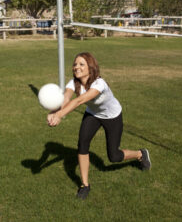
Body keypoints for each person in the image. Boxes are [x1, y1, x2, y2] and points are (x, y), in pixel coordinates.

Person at [47, 52, 151, 199]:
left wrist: (59, 115)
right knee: (82, 144)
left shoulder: (99, 84)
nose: (77, 67)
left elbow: (79, 101)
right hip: (93, 115)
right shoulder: (73, 83)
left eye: (81, 64)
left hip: (112, 116)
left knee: (114, 156)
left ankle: (140, 154)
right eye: (75, 64)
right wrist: (54, 111)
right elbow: (67, 99)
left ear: (91, 67)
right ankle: (85, 185)